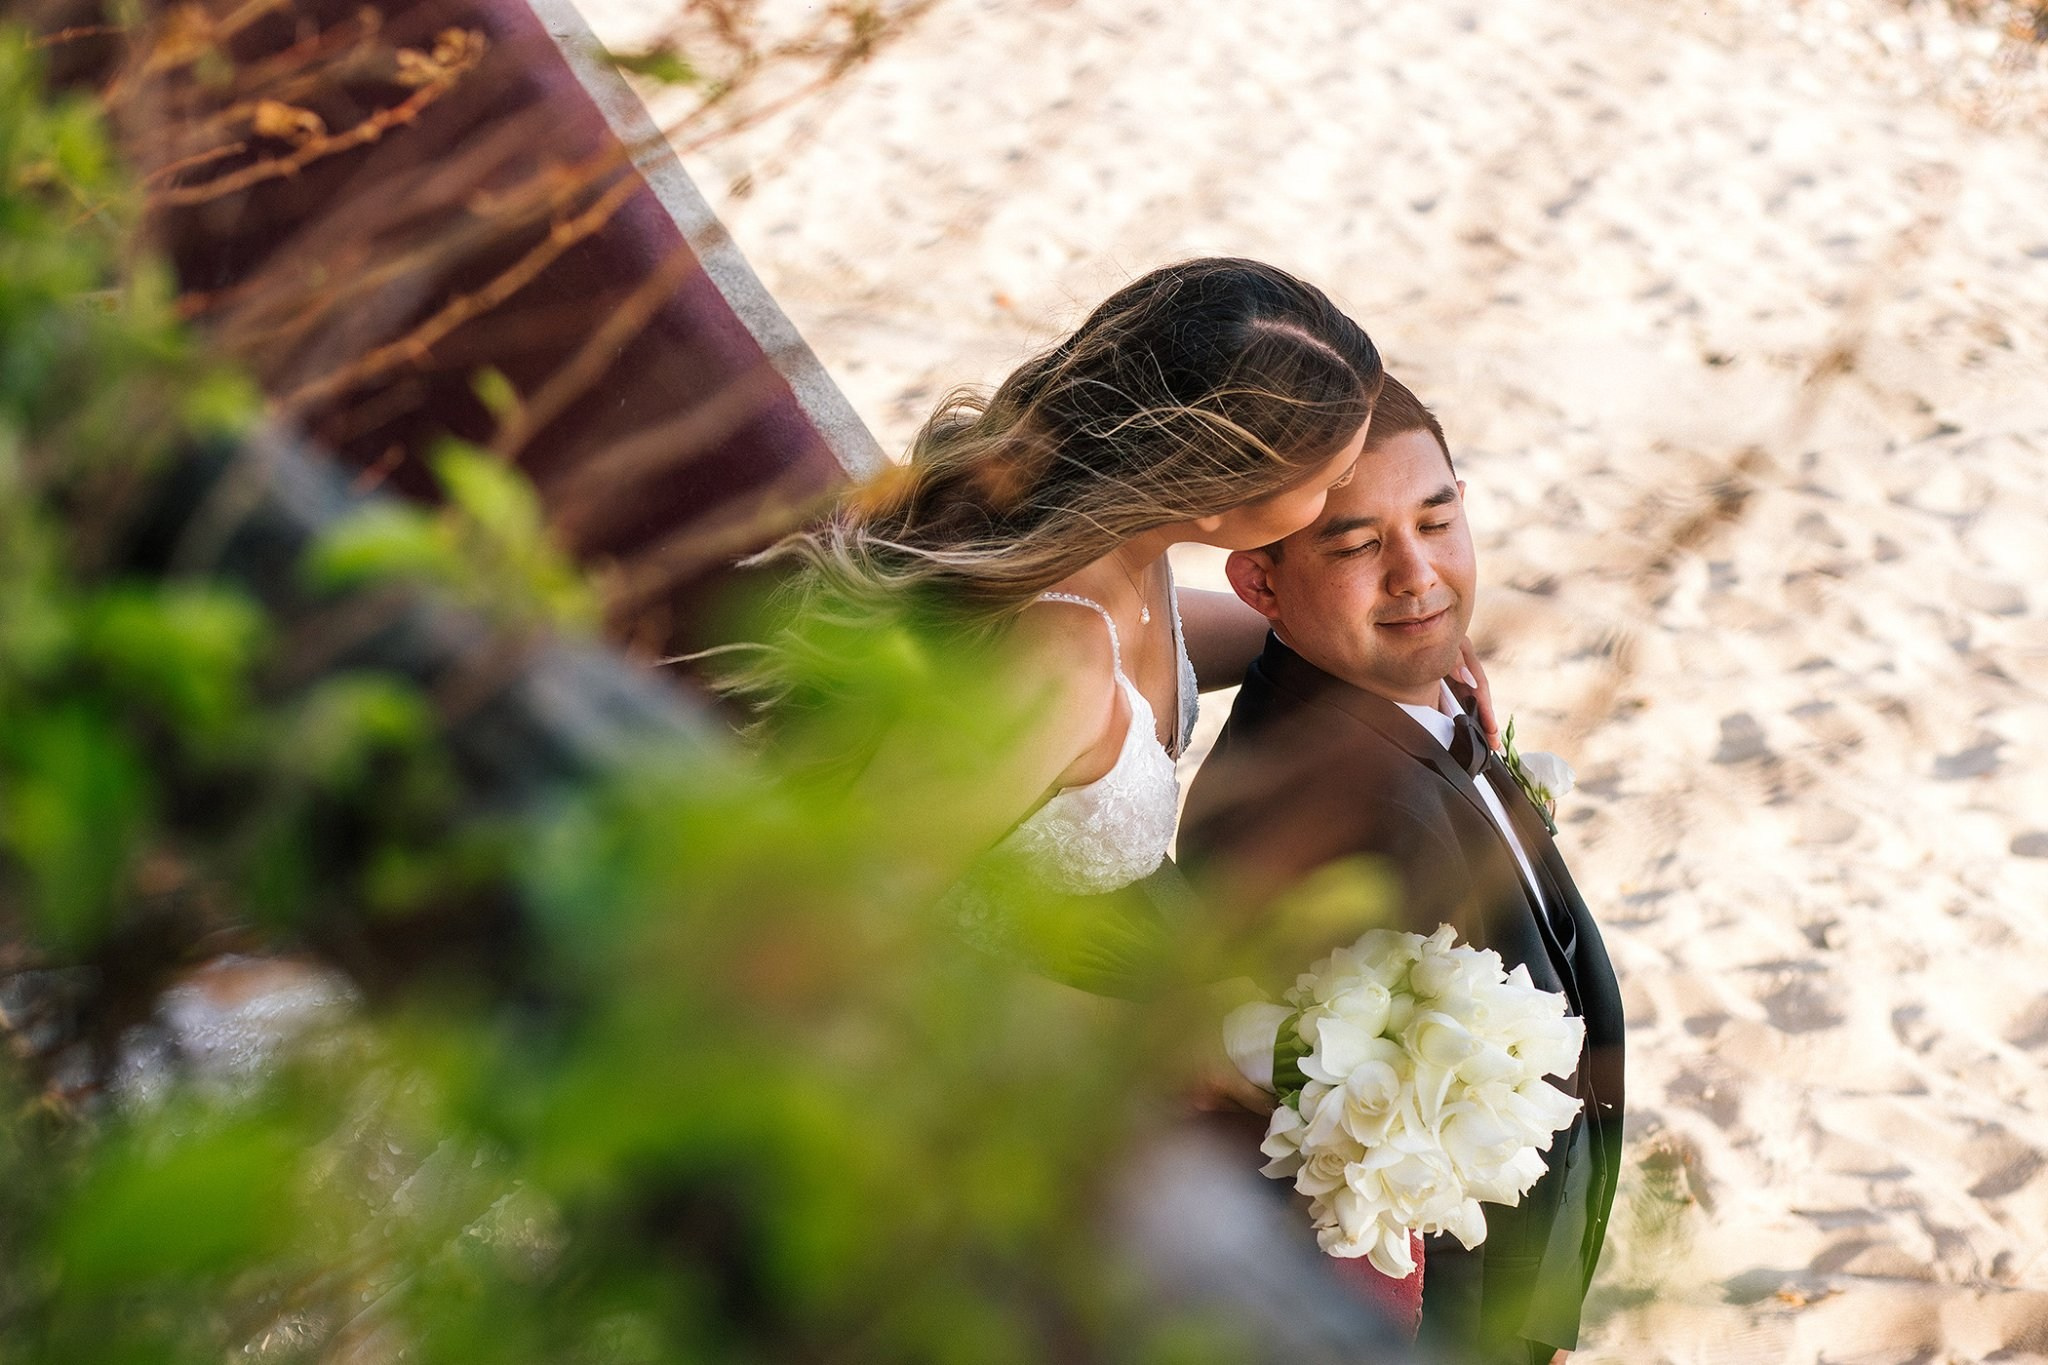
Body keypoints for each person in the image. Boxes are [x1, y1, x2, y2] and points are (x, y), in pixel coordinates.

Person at [735, 260, 1494, 953]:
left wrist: (1389, 629)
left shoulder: (1116, 550)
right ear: (1221, 493)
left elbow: (1156, 642)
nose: (1339, 496)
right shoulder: (1053, 661)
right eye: (1328, 485)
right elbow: (838, 921)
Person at [1177, 377, 1625, 1364]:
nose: (1417, 576)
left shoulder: (1416, 695)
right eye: (1354, 545)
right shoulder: (1331, 821)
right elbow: (1384, 1164)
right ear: (1257, 584)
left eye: (1437, 519)